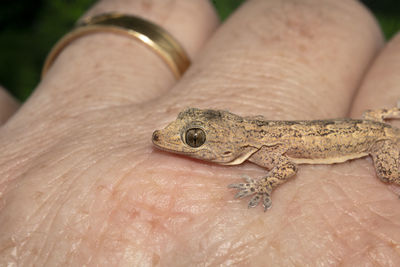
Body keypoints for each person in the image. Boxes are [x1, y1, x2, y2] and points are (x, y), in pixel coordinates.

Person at [0, 0, 399, 265]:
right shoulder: (252, 136)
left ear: (227, 144)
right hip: (368, 120)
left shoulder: (264, 150)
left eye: (194, 139)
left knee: (386, 175)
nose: (168, 138)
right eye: (191, 130)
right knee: (369, 119)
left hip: (377, 137)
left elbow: (287, 171)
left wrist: (263, 187)